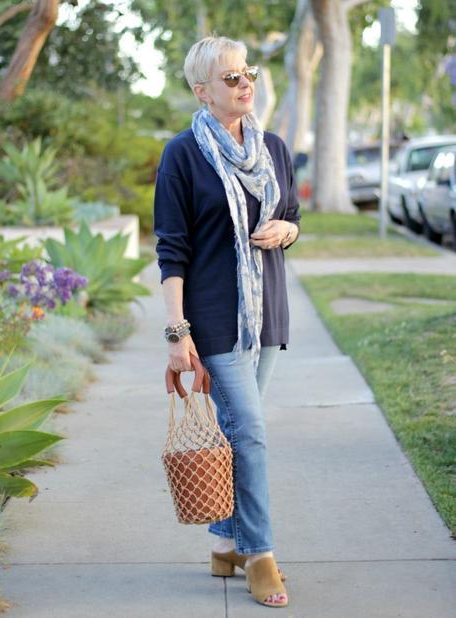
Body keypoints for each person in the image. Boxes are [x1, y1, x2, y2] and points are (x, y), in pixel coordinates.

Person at [154, 35, 300, 608]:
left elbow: (290, 214)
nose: (245, 85)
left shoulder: (275, 149)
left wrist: (288, 230)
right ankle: (260, 555)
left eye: (248, 74)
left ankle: (222, 542)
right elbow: (172, 250)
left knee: (240, 435)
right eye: (231, 78)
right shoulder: (182, 155)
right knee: (254, 435)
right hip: (213, 320)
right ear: (203, 92)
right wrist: (176, 332)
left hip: (265, 315)